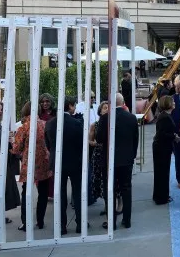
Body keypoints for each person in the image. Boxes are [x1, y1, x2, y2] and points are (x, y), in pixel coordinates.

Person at [96, 93, 139, 230]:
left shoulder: (104, 118)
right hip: (126, 159)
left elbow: (99, 139)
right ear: (123, 102)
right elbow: (135, 139)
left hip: (109, 160)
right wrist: (132, 155)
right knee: (126, 189)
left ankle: (111, 222)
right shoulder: (131, 118)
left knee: (110, 191)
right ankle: (127, 220)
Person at [45, 96, 85, 234]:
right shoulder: (77, 123)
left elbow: (48, 145)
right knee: (78, 193)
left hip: (57, 163)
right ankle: (80, 223)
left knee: (60, 194)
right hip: (75, 162)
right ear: (69, 106)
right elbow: (82, 145)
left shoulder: (50, 124)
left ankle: (62, 226)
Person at [13, 102, 51, 231]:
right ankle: (40, 221)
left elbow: (17, 149)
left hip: (29, 164)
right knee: (43, 192)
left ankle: (25, 222)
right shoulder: (45, 125)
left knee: (26, 193)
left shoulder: (24, 127)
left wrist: (12, 145)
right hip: (44, 163)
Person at [152, 96, 177, 205]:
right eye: (172, 102)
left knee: (162, 172)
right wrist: (174, 136)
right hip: (161, 148)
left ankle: (160, 195)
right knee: (162, 173)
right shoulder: (164, 117)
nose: (174, 103)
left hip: (162, 147)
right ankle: (161, 197)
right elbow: (162, 134)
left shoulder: (165, 116)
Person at [88, 101, 109, 204]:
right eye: (105, 108)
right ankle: (106, 205)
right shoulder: (95, 125)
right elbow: (89, 141)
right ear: (100, 111)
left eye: (109, 108)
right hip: (98, 155)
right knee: (100, 180)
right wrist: (96, 143)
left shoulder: (113, 124)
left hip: (109, 154)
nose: (107, 109)